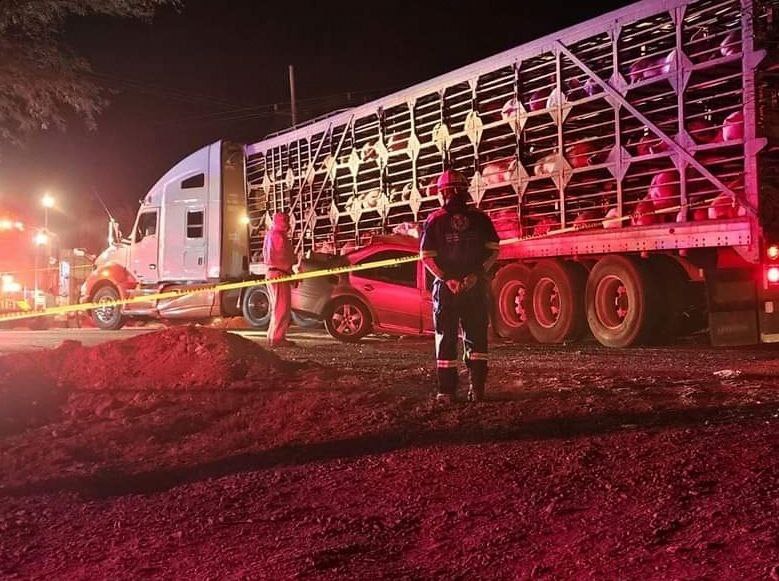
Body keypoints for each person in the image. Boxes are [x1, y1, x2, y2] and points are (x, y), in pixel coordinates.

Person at [420, 169, 500, 403]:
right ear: (465, 190)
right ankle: (477, 390)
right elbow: (494, 252)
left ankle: (446, 392)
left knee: (446, 339)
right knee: (476, 338)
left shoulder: (435, 219)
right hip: (474, 287)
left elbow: (426, 256)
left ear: (442, 193)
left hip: (447, 289)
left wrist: (447, 279)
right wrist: (475, 275)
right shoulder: (481, 219)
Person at [263, 212, 296, 347]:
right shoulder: (278, 236)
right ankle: (277, 339)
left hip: (273, 273)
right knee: (282, 308)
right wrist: (290, 268)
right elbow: (282, 256)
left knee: (276, 308)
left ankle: (273, 337)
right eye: (286, 221)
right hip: (279, 274)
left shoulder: (271, 234)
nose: (288, 224)